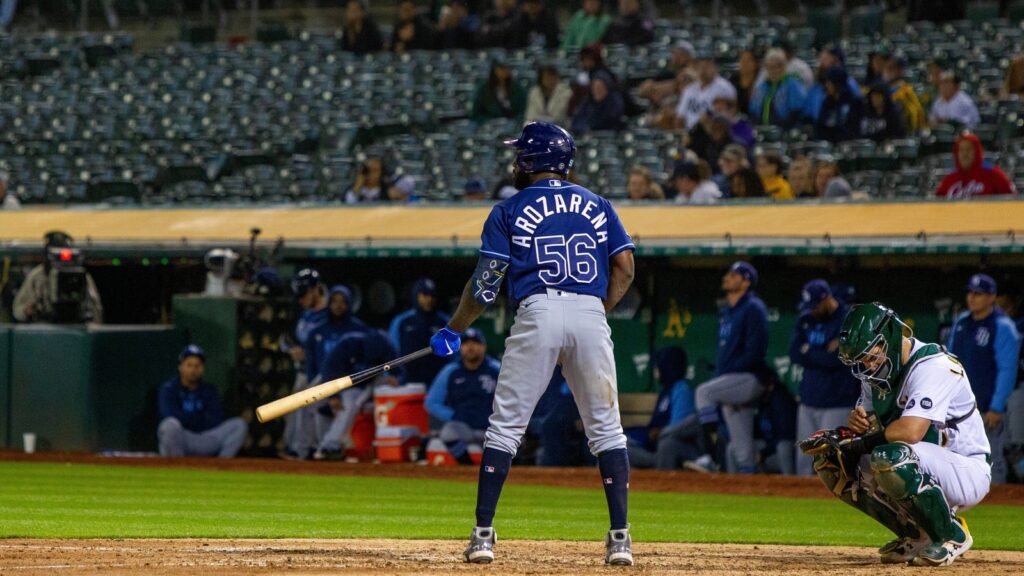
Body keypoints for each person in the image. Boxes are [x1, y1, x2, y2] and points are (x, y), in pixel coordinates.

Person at [427, 121, 637, 565]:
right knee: (607, 429)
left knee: (505, 427)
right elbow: (625, 268)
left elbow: (485, 286)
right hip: (589, 311)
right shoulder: (599, 203)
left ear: (529, 161)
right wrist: (597, 309)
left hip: (538, 310)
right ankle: (620, 539)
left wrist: (454, 327)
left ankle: (483, 536)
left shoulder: (509, 208)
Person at [800, 302, 991, 567]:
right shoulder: (877, 372)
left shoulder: (933, 365)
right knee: (833, 461)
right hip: (920, 460)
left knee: (892, 456)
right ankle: (916, 533)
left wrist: (859, 443)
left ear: (889, 336)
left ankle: (951, 534)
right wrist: (849, 431)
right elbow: (868, 426)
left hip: (964, 468)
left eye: (869, 355)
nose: (866, 365)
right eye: (860, 360)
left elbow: (910, 432)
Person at [687, 261, 769, 474]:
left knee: (704, 392)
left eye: (734, 275)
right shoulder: (728, 310)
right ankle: (752, 486)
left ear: (746, 281)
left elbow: (755, 352)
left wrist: (727, 373)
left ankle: (710, 457)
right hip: (732, 381)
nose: (727, 278)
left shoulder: (753, 307)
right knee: (743, 451)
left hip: (748, 377)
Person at [946, 274, 1021, 484]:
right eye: (970, 292)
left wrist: (996, 407)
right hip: (959, 409)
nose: (972, 298)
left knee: (991, 459)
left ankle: (997, 508)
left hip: (987, 408)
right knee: (958, 458)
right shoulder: (961, 322)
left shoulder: (1002, 326)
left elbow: (1007, 369)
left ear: (992, 297)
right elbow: (949, 363)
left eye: (978, 294)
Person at [789, 280, 861, 476]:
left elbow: (838, 359)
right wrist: (821, 352)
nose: (812, 310)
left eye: (815, 305)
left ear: (827, 299)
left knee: (832, 465)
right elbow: (795, 353)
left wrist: (810, 352)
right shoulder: (806, 318)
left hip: (837, 401)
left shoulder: (848, 319)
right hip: (808, 399)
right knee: (804, 466)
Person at [314, 328, 398, 460]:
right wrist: (334, 396)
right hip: (335, 382)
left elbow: (399, 371)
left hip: (366, 385)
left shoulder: (385, 347)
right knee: (342, 408)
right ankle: (327, 447)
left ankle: (334, 446)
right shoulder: (349, 344)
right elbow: (330, 370)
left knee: (387, 396)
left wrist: (396, 379)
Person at [425, 328, 501, 464]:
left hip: (491, 427)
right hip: (464, 427)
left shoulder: (496, 369)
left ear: (484, 347)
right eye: (466, 343)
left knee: (513, 441)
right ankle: (466, 467)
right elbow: (431, 402)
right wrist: (454, 416)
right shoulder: (451, 371)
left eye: (475, 343)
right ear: (460, 348)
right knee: (448, 433)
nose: (470, 347)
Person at [157, 345, 248, 458]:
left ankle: (221, 467)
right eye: (189, 365)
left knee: (239, 425)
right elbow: (170, 415)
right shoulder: (169, 389)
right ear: (180, 367)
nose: (193, 370)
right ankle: (177, 468)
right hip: (183, 437)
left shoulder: (209, 389)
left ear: (202, 368)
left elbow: (216, 418)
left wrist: (188, 418)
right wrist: (200, 418)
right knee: (168, 426)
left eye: (197, 366)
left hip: (206, 438)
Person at [281, 269, 331, 460]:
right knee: (293, 415)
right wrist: (291, 349)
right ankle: (296, 451)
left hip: (323, 372)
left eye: (304, 294)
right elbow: (288, 339)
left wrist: (308, 355)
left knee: (309, 410)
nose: (301, 300)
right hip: (303, 371)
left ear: (316, 289)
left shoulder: (330, 314)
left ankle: (308, 451)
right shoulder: (305, 316)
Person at [626, 347, 700, 470]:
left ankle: (662, 483)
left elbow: (676, 430)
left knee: (667, 445)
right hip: (656, 448)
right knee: (618, 446)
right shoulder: (666, 390)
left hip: (681, 447)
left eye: (658, 365)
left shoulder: (682, 389)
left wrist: (655, 433)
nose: (656, 370)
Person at [13, 231, 103, 323]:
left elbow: (96, 311)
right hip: (45, 328)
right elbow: (17, 311)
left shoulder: (81, 275)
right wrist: (27, 310)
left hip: (77, 326)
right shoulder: (37, 275)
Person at [389, 278, 451, 388]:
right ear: (416, 296)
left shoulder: (445, 321)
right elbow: (391, 351)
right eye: (425, 295)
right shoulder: (402, 321)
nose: (429, 300)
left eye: (432, 296)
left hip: (437, 382)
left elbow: (454, 353)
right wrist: (392, 375)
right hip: (406, 382)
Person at [307, 285, 367, 382]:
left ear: (349, 303)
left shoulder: (360, 330)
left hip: (352, 385)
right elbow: (310, 364)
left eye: (343, 301)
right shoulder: (317, 331)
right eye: (334, 301)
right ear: (329, 303)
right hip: (322, 384)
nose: (338, 306)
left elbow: (366, 361)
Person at [934, 132, 1017, 199]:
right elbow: (936, 206)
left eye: (968, 149)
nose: (964, 154)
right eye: (961, 150)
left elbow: (1012, 199)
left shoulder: (993, 173)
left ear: (977, 151)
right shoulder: (950, 179)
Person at [675, 56, 737, 131]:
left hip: (711, 133)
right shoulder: (689, 90)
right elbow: (680, 117)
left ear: (715, 68)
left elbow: (730, 115)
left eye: (707, 66)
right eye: (701, 66)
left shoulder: (724, 88)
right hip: (689, 134)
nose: (703, 70)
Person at [803, 45, 861, 125]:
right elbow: (808, 113)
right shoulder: (817, 85)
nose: (821, 63)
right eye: (821, 60)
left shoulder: (849, 83)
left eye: (826, 59)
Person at [749, 48, 807, 128]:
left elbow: (797, 110)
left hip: (785, 130)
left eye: (778, 66)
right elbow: (753, 111)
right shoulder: (762, 87)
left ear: (784, 66)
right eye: (770, 67)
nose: (774, 70)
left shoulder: (792, 84)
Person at [814, 66, 863, 143]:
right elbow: (820, 126)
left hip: (847, 145)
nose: (827, 85)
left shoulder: (854, 102)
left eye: (829, 82)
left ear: (837, 83)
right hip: (828, 144)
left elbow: (855, 128)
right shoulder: (827, 102)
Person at [883, 57, 926, 133]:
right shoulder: (880, 88)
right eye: (886, 68)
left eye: (891, 68)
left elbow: (917, 113)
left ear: (900, 70)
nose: (887, 71)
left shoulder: (906, 90)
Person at [729, 49, 760, 118]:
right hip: (735, 119)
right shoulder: (733, 80)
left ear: (756, 64)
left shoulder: (760, 82)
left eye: (748, 60)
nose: (744, 63)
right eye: (742, 60)